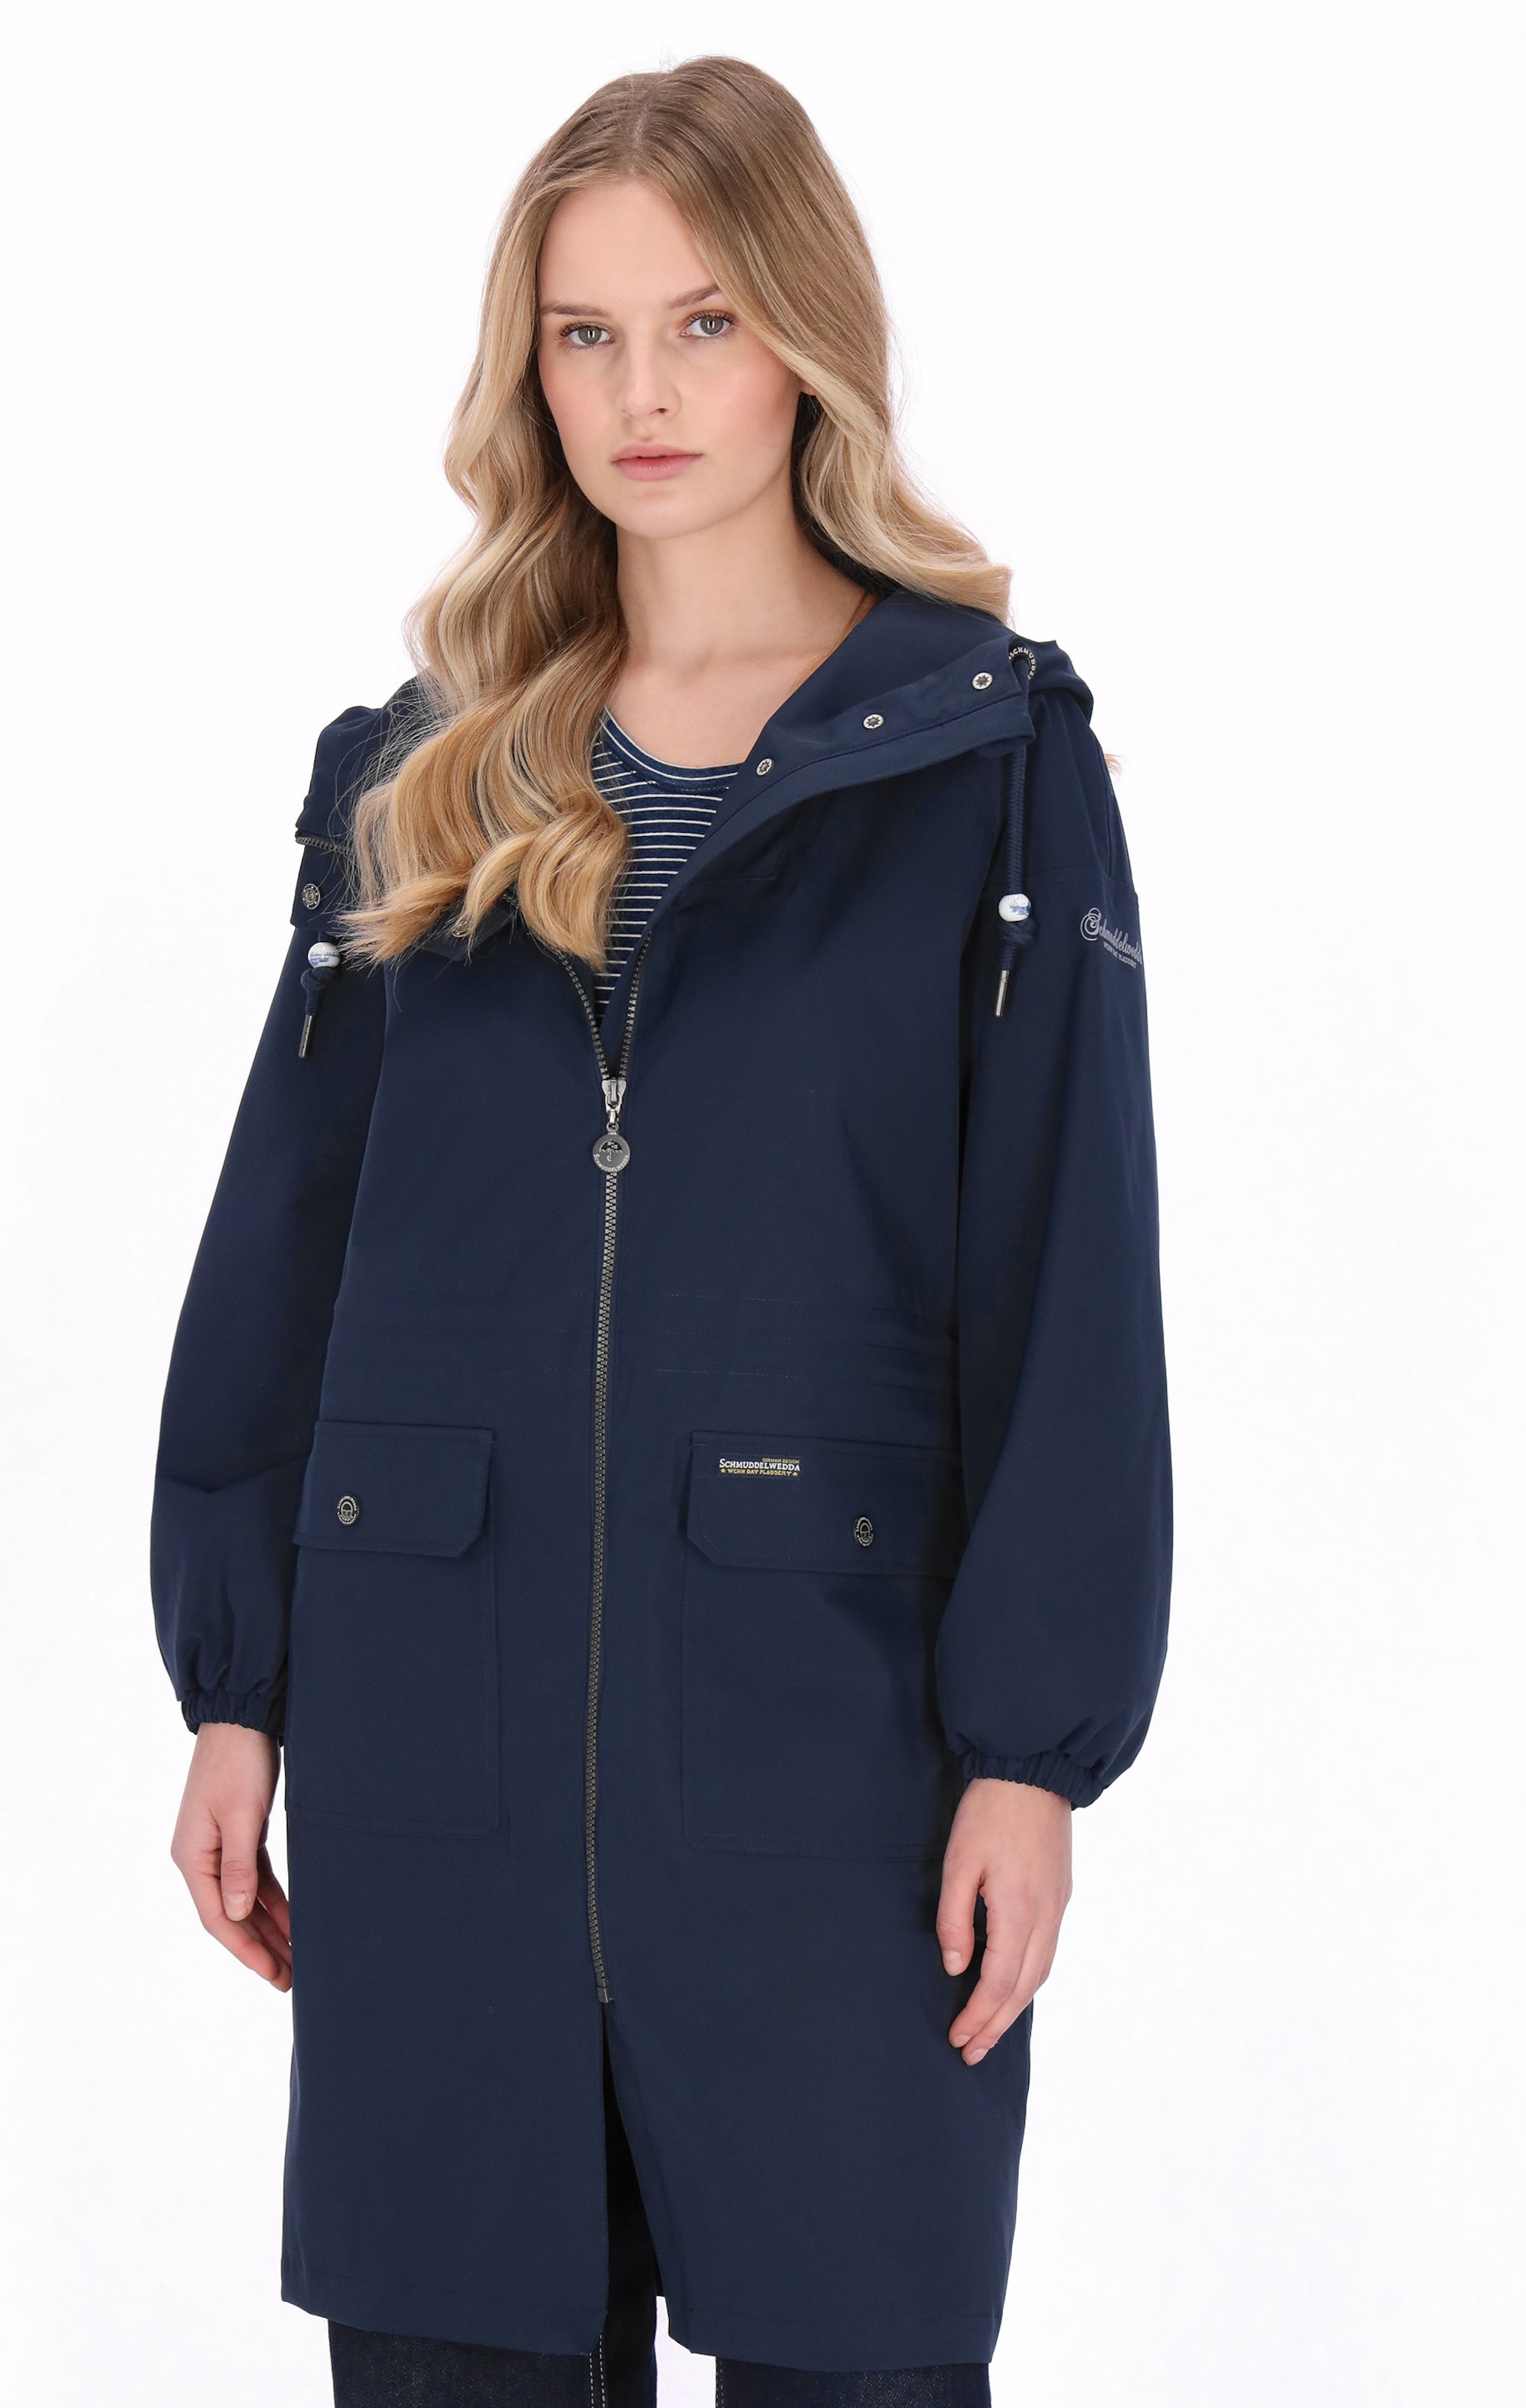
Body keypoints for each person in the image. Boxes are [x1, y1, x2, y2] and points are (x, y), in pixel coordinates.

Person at [152, 53, 1172, 2408]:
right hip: (439, 1755)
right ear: (525, 369)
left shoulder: (987, 762)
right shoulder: (414, 776)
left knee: (857, 2345)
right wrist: (234, 1679)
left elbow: (1065, 1281)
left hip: (831, 1760)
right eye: (583, 334)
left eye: (701, 324)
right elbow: (285, 1244)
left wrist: (1032, 1745)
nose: (641, 392)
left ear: (802, 338)